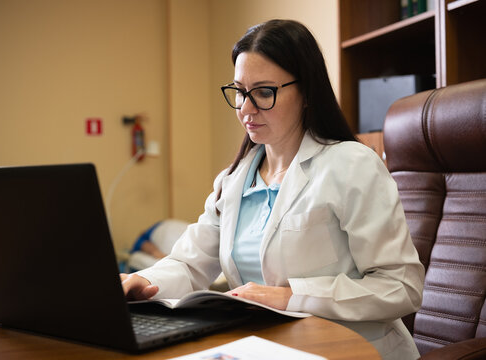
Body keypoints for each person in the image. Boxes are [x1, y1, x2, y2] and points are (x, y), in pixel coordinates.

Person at [120, 19, 424, 360]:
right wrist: (139, 281)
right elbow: (189, 264)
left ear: (307, 92)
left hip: (353, 349)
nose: (246, 109)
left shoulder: (351, 165)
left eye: (264, 92)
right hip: (267, 349)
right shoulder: (233, 181)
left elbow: (401, 287)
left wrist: (294, 295)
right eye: (239, 92)